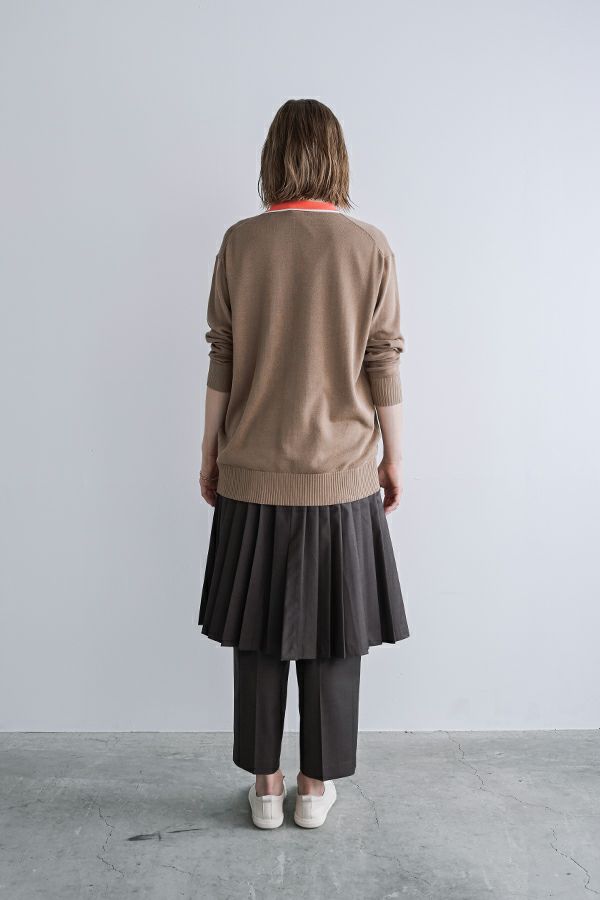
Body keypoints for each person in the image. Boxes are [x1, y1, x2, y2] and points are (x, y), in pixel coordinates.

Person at [198, 98, 409, 830]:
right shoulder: (369, 245)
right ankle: (315, 789)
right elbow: (383, 359)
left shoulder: (240, 243)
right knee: (334, 635)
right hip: (341, 476)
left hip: (252, 471)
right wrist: (396, 457)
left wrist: (210, 451)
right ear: (336, 158)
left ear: (273, 158)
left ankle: (266, 787)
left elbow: (222, 353)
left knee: (258, 635)